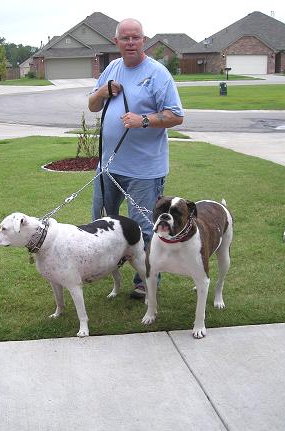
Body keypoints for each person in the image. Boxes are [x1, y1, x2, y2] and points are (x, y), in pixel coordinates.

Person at [88, 18, 184, 299]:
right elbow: (93, 105)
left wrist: (143, 120)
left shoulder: (158, 74)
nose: (130, 43)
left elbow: (176, 116)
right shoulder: (111, 68)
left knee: (143, 226)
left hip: (144, 170)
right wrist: (104, 91)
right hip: (108, 167)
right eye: (125, 38)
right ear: (116, 41)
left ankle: (147, 280)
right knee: (102, 221)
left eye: (136, 38)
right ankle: (108, 267)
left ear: (144, 41)